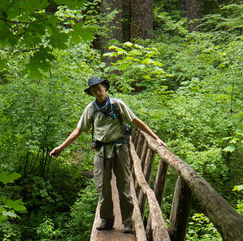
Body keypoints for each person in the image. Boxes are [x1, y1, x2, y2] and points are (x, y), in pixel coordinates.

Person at [50, 76, 166, 233]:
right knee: (102, 187)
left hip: (120, 149)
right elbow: (78, 130)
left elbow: (135, 121)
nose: (98, 92)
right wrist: (61, 147)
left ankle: (127, 222)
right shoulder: (90, 109)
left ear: (105, 87)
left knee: (124, 185)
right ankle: (107, 220)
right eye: (94, 90)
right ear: (91, 93)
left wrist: (155, 138)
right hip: (101, 151)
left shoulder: (117, 105)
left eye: (99, 88)